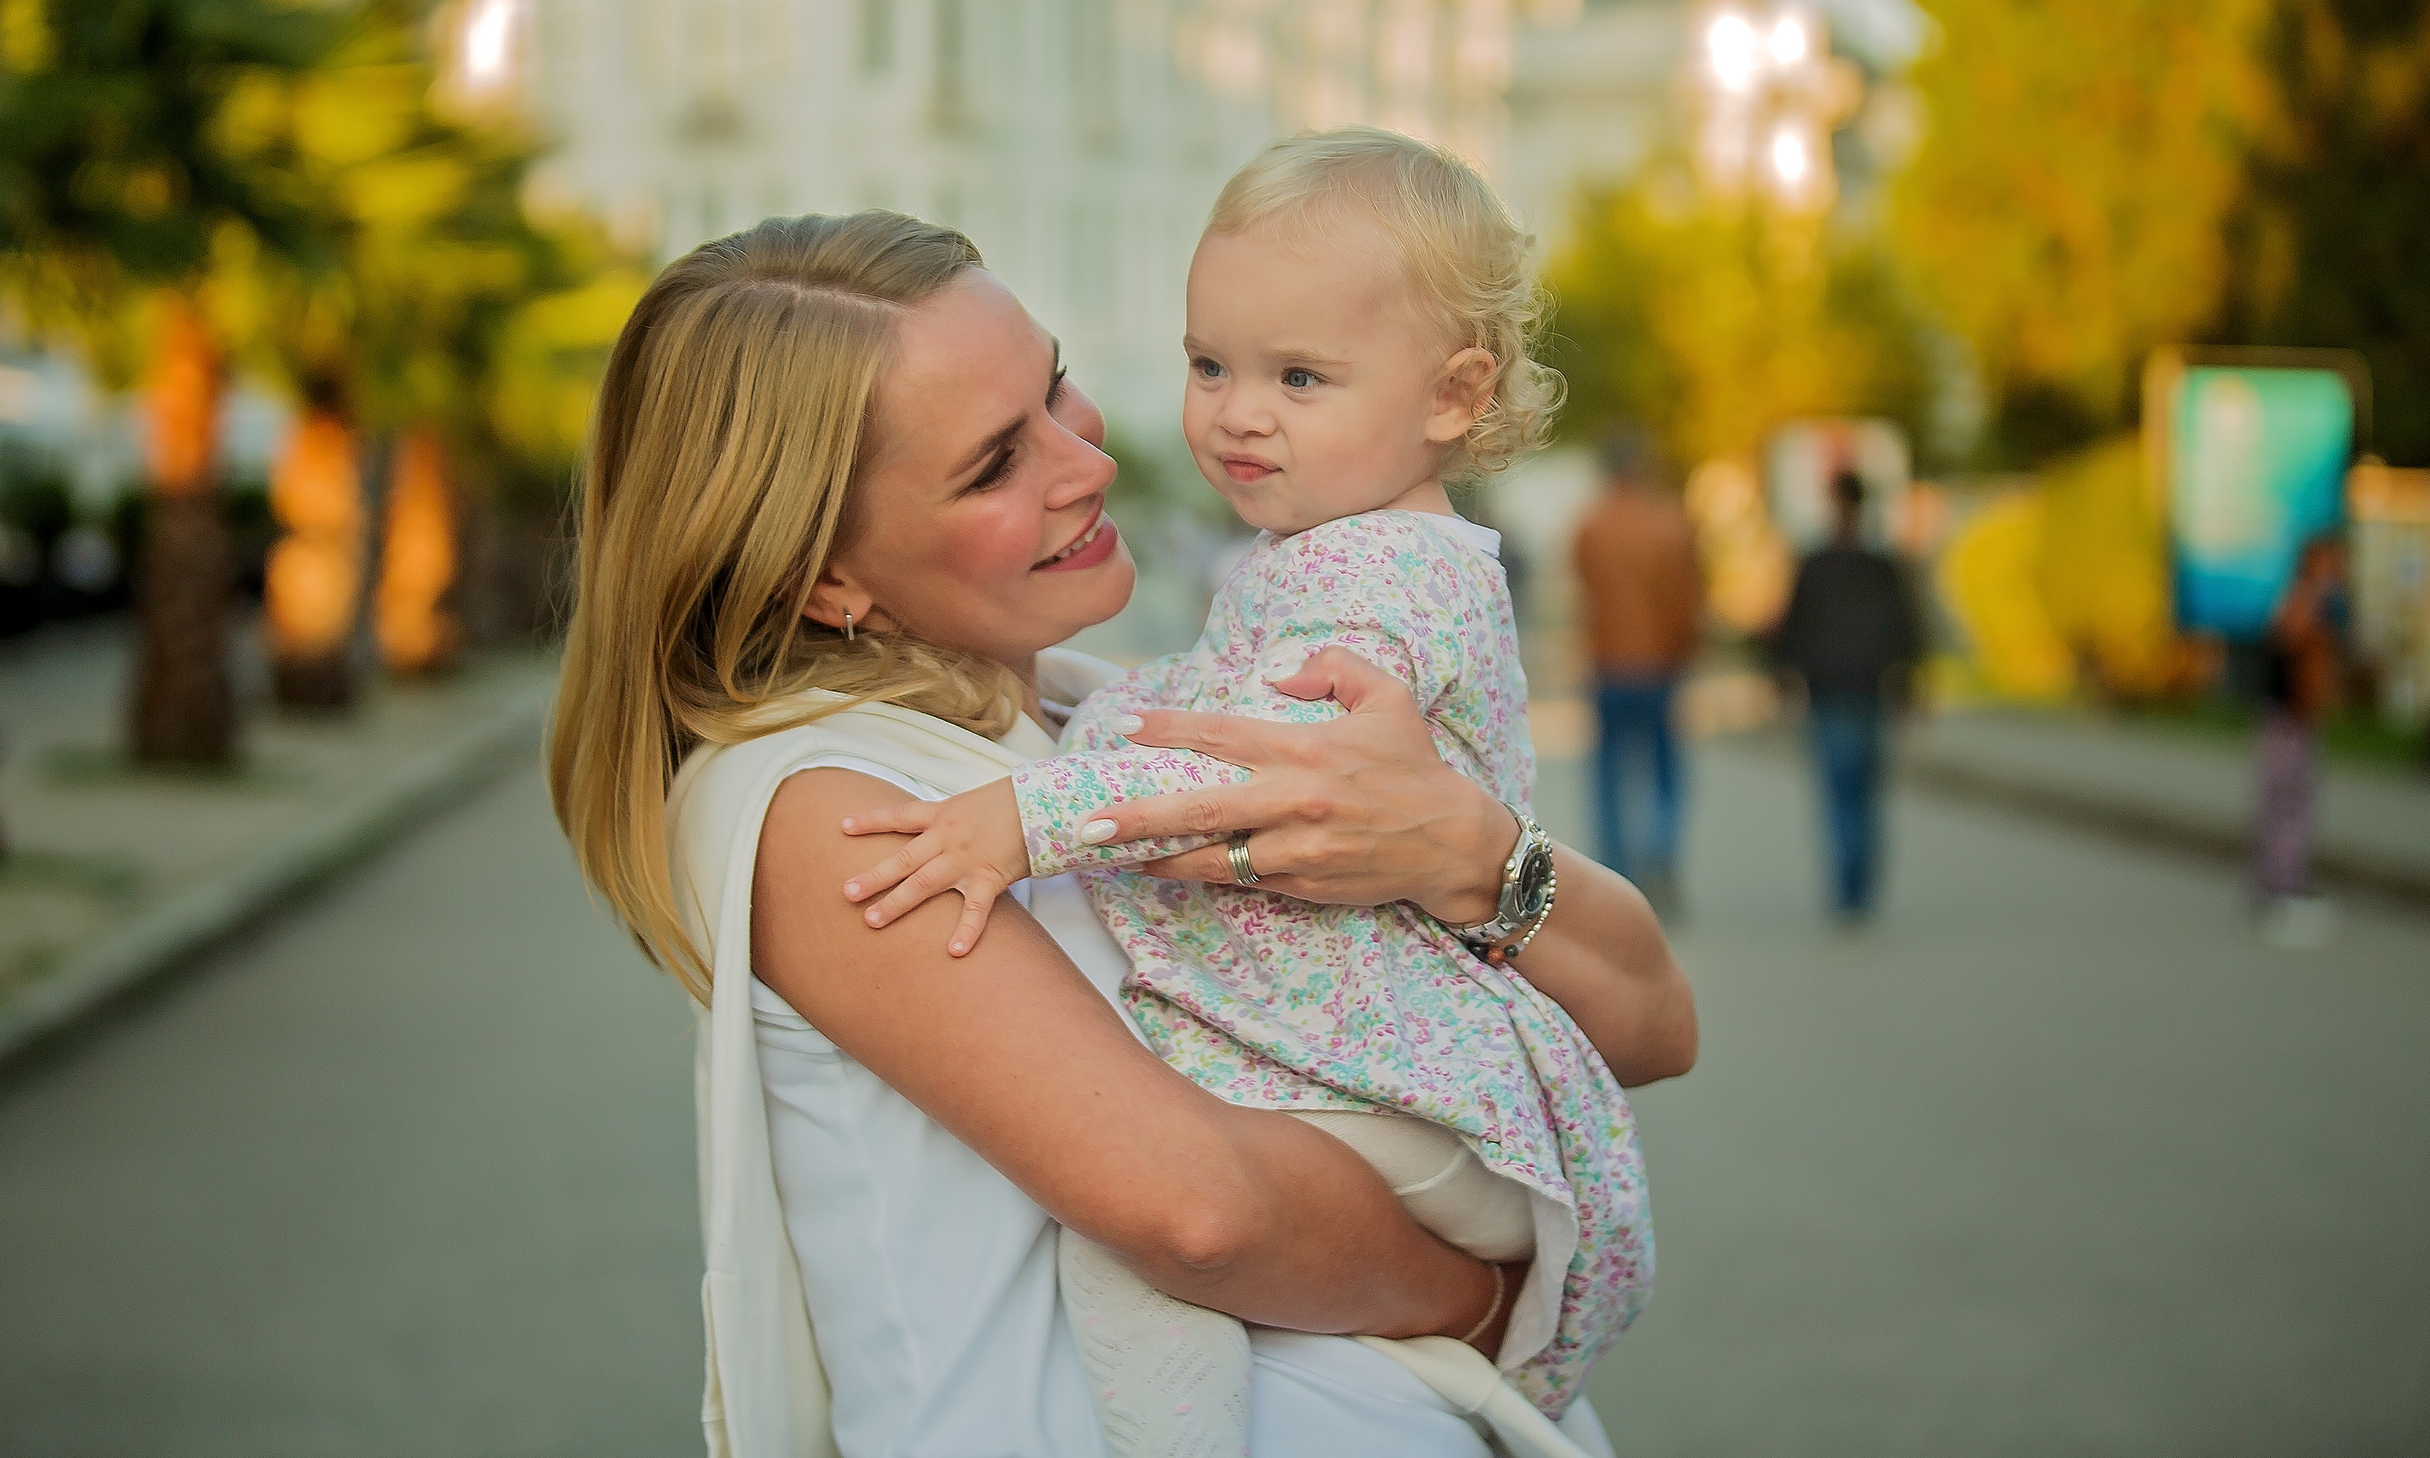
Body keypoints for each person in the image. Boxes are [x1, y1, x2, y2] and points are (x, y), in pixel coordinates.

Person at [547, 211, 1696, 1458]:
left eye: (1053, 387)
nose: (1082, 462)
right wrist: (1477, 1307)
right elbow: (1197, 1211)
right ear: (823, 580)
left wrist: (1464, 852)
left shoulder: (1101, 713)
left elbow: (1651, 1021)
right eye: (994, 462)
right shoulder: (830, 811)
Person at [840, 129, 1644, 1417]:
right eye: (1207, 363)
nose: (1235, 411)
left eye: (1301, 376)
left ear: (1451, 396)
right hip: (1406, 1077)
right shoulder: (1372, 548)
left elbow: (1239, 778)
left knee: (1132, 1263)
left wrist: (1022, 816)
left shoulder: (1371, 580)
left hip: (1394, 1087)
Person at [1769, 470, 1921, 922]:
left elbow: (1792, 628)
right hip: (1866, 688)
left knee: (1840, 792)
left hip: (1832, 690)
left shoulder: (1818, 563)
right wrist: (1910, 682)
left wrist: (1783, 675)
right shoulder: (1882, 565)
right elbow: (1905, 630)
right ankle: (1859, 884)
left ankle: (1848, 887)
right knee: (1864, 792)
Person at [1571, 430, 1702, 916]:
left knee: (1609, 773)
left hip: (1608, 663)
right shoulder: (1670, 522)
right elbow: (1687, 599)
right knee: (1664, 769)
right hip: (1660, 665)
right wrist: (1684, 650)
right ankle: (1662, 849)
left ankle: (1616, 875)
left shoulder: (1590, 526)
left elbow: (1586, 594)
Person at [2253, 535, 2346, 950]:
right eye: (2329, 564)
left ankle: (2283, 883)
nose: (2337, 572)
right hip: (2287, 720)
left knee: (2292, 804)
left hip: (2299, 719)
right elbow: (2285, 640)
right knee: (2286, 805)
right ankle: (2280, 889)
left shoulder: (2315, 605)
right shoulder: (2301, 601)